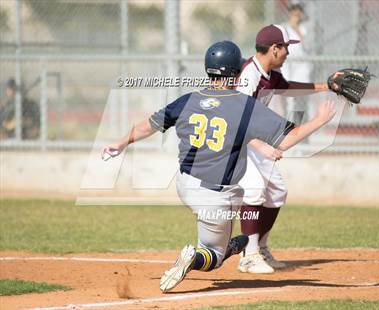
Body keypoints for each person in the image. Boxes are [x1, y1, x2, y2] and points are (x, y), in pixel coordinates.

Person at [102, 41, 336, 292]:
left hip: (184, 184)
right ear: (236, 72)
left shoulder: (188, 100)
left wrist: (121, 143)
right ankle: (199, 257)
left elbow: (149, 125)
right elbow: (287, 139)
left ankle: (238, 244)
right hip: (213, 196)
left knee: (239, 203)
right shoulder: (244, 105)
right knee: (213, 255)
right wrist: (320, 120)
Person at [236, 24, 339, 274]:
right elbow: (236, 119)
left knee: (277, 191)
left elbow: (289, 88)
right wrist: (261, 147)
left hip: (253, 140)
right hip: (237, 144)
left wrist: (326, 86)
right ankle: (248, 256)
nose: (288, 53)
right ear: (274, 49)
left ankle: (260, 247)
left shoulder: (269, 73)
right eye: (285, 48)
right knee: (254, 189)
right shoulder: (249, 75)